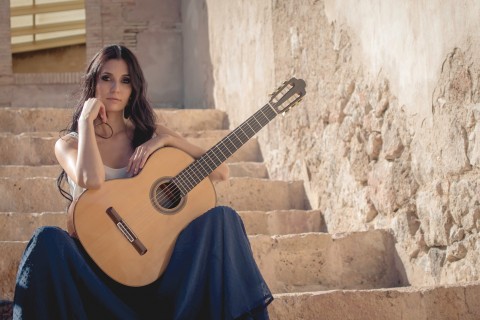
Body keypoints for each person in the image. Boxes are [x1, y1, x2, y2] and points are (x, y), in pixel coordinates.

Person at [12, 44, 273, 319]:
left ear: (134, 88)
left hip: (155, 278)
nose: (116, 88)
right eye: (106, 78)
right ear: (93, 83)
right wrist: (86, 124)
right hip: (94, 278)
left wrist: (170, 140)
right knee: (46, 240)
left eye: (125, 81)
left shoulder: (150, 134)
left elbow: (221, 172)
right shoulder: (69, 143)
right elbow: (91, 179)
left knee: (224, 218)